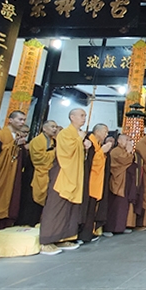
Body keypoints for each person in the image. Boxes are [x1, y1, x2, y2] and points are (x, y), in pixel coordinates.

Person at [39, 108, 90, 255]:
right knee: (56, 206)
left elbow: (78, 156)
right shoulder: (65, 134)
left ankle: (63, 237)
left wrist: (85, 146)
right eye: (81, 115)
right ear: (72, 117)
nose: (84, 118)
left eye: (85, 116)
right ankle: (46, 241)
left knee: (70, 208)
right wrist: (79, 140)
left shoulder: (77, 134)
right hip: (63, 174)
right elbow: (65, 153)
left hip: (74, 176)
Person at [0, 110, 27, 236]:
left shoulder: (19, 136)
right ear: (10, 120)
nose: (22, 122)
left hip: (13, 173)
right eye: (20, 119)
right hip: (0, 173)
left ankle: (4, 229)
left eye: (23, 120)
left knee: (11, 197)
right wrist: (14, 145)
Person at [78, 124, 112, 242]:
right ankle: (82, 235)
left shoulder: (97, 144)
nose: (106, 135)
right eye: (105, 132)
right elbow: (90, 162)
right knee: (86, 208)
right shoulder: (89, 143)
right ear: (97, 131)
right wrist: (102, 152)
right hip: (88, 181)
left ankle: (89, 232)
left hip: (96, 181)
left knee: (92, 208)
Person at [20, 120, 58, 226]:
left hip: (48, 174)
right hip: (35, 173)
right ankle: (27, 223)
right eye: (52, 126)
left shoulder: (53, 141)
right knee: (31, 201)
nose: (54, 129)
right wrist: (54, 152)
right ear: (44, 128)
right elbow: (39, 159)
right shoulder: (37, 141)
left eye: (55, 127)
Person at [105, 135, 136, 234]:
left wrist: (129, 152)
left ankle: (121, 226)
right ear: (119, 140)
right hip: (118, 182)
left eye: (129, 140)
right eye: (126, 140)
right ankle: (111, 228)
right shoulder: (115, 151)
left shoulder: (123, 151)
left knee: (124, 205)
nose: (128, 142)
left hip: (126, 181)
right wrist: (129, 152)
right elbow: (124, 161)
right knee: (116, 205)